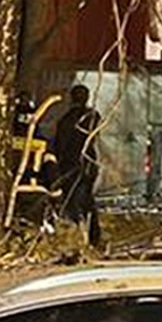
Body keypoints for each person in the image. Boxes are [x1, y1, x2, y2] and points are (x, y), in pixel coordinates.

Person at [48, 83, 103, 248]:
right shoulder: (92, 117)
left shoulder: (66, 120)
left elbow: (60, 146)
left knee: (73, 201)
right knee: (86, 200)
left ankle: (80, 236)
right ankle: (91, 236)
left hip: (70, 165)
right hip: (87, 163)